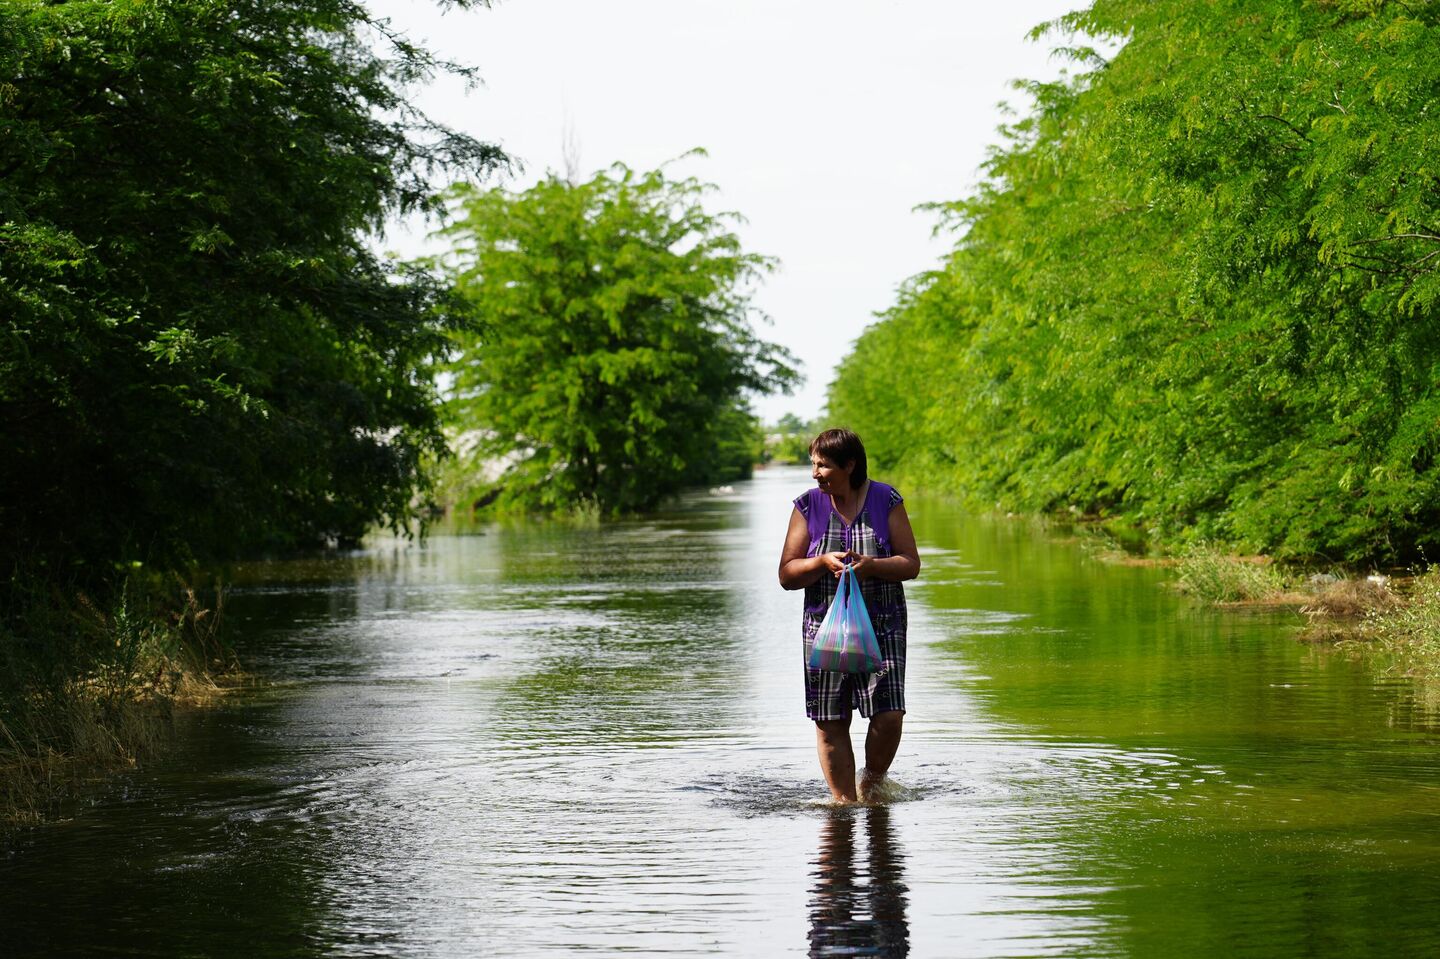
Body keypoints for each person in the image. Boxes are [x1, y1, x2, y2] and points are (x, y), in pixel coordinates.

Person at [779, 428, 921, 803]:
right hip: (823, 626)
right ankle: (844, 803)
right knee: (829, 719)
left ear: (850, 464)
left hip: (883, 624)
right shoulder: (807, 506)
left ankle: (871, 785)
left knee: (889, 715)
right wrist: (823, 562)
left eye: (823, 465)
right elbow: (787, 574)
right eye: (813, 464)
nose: (815, 473)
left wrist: (871, 565)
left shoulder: (885, 499)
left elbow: (910, 564)